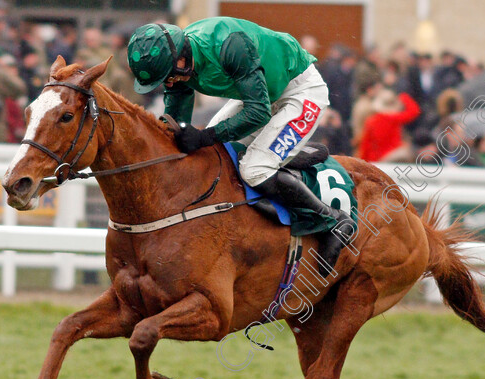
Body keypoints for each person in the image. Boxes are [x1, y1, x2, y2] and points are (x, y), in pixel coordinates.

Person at [127, 18, 355, 274]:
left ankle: (332, 221)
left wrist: (203, 136)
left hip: (299, 91)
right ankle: (278, 158)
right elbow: (175, 124)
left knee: (254, 169)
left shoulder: (230, 45)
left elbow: (258, 113)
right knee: (213, 154)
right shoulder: (178, 63)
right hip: (261, 93)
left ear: (180, 59)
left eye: (167, 77)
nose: (167, 84)